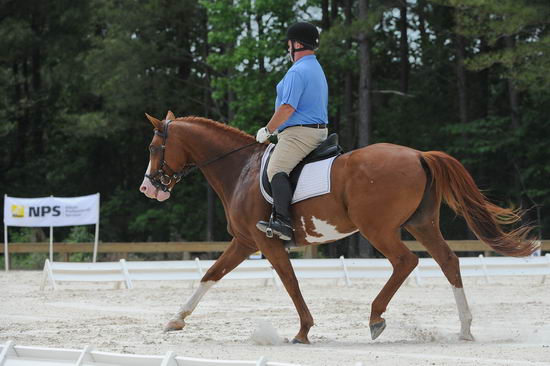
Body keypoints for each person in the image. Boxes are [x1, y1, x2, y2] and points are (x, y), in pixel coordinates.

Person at [255, 22, 329, 241]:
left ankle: (283, 222)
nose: (288, 49)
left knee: (276, 168)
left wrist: (268, 130)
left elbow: (287, 107)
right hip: (316, 131)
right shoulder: (315, 67)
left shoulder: (297, 71)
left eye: (289, 44)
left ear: (297, 44)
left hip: (299, 135)